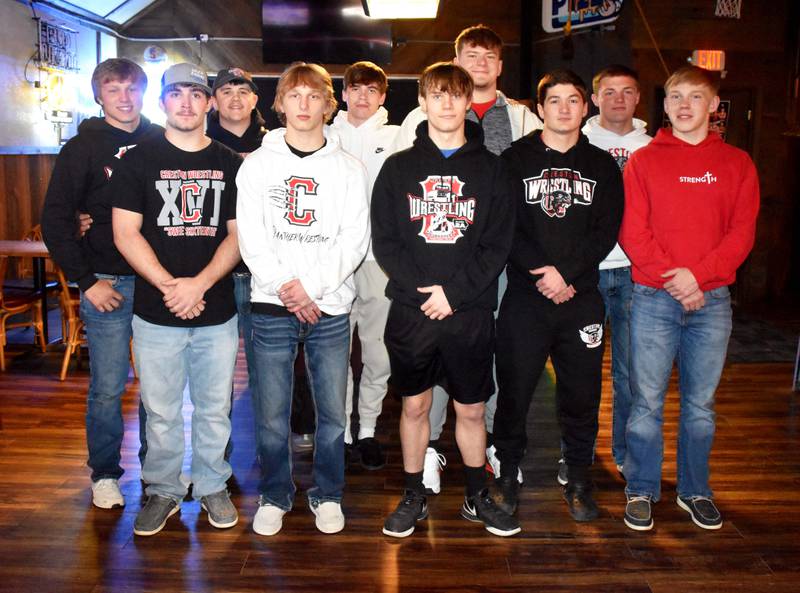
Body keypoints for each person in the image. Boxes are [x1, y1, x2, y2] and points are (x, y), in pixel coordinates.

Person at [394, 24, 541, 494]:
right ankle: (431, 446)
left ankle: (491, 444)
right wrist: (436, 288)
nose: (479, 63)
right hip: (429, 267)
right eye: (470, 55)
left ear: (500, 65)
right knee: (429, 367)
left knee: (486, 359)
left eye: (488, 56)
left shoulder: (521, 119)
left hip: (493, 261)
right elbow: (395, 217)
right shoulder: (414, 132)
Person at [373, 62, 519, 538]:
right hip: (413, 312)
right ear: (422, 102)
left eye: (456, 95)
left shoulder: (493, 170)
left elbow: (496, 245)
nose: (448, 104)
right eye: (437, 95)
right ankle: (414, 494)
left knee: (472, 409)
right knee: (414, 407)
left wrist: (453, 295)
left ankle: (477, 495)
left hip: (469, 310)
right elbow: (386, 241)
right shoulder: (397, 168)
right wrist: (428, 295)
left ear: (466, 102)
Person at [619, 65, 759, 531]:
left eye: (695, 97)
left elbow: (741, 235)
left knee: (700, 406)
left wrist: (697, 278)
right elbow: (633, 232)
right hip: (653, 298)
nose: (683, 105)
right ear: (664, 105)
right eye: (675, 96)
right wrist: (678, 280)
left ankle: (695, 490)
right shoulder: (643, 160)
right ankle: (641, 489)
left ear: (714, 106)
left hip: (712, 301)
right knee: (646, 402)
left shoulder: (738, 164)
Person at [236, 62, 369, 536]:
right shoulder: (256, 166)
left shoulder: (349, 169)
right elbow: (252, 240)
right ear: (280, 104)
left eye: (314, 97)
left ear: (329, 105)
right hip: (272, 304)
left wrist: (310, 288)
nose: (304, 105)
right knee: (271, 415)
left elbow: (354, 240)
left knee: (332, 413)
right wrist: (289, 290)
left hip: (330, 306)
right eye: (295, 96)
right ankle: (275, 494)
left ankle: (328, 494)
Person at [112, 63, 243, 536]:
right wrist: (173, 286)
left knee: (214, 408)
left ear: (209, 102)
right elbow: (125, 234)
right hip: (155, 310)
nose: (185, 102)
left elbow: (238, 235)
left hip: (217, 309)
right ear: (162, 103)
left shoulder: (231, 163)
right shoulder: (136, 160)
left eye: (195, 94)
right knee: (161, 409)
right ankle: (163, 489)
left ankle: (211, 484)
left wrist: (199, 284)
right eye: (175, 94)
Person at [491, 69, 623, 523]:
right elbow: (505, 225)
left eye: (573, 100)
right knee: (514, 391)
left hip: (581, 297)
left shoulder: (603, 165)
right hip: (526, 298)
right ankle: (507, 472)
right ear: (539, 108)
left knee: (582, 395)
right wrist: (543, 274)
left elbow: (606, 230)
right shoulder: (514, 159)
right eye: (555, 101)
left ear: (585, 108)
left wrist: (566, 273)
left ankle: (581, 477)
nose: (564, 108)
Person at [41, 58, 162, 510]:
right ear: (99, 96)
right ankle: (106, 474)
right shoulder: (81, 148)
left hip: (156, 282)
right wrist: (86, 281)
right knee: (108, 386)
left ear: (143, 93)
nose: (125, 98)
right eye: (114, 90)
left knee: (159, 387)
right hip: (105, 283)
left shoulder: (160, 139)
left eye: (132, 89)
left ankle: (159, 473)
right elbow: (53, 219)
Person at [554, 64, 651, 484]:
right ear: (594, 98)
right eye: (608, 91)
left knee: (630, 372)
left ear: (638, 98)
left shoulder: (651, 147)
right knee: (579, 371)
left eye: (627, 91)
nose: (617, 99)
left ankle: (625, 452)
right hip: (584, 273)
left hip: (633, 273)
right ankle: (576, 453)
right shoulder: (577, 139)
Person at [330, 61, 399, 469]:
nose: (362, 96)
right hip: (334, 261)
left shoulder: (397, 137)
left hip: (379, 261)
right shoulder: (325, 134)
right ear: (343, 94)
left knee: (378, 351)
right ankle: (340, 428)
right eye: (355, 88)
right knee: (337, 351)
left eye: (372, 89)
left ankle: (369, 428)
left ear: (383, 96)